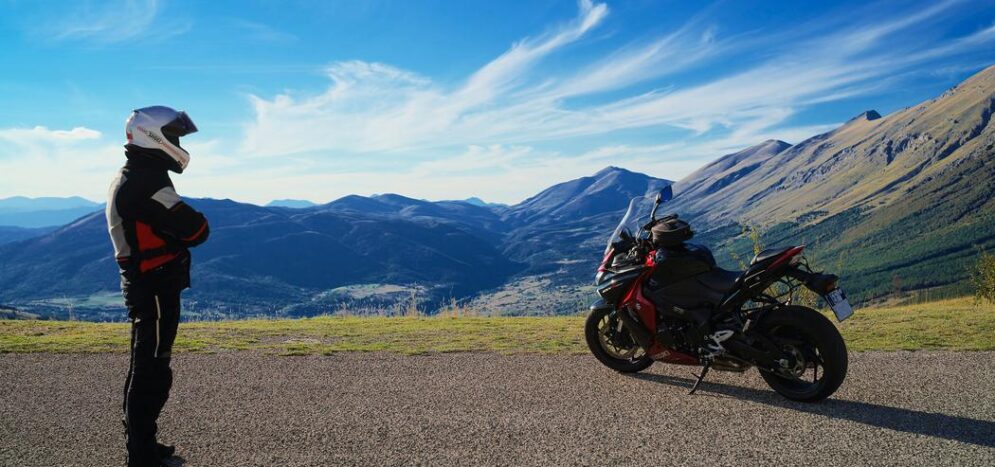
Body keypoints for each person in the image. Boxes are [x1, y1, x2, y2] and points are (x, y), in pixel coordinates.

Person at [106, 106, 210, 467]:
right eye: (175, 135)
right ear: (154, 136)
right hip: (154, 286)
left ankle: (144, 443)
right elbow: (196, 229)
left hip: (151, 284)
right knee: (151, 368)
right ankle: (141, 454)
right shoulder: (146, 182)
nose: (178, 142)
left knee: (150, 366)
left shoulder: (137, 175)